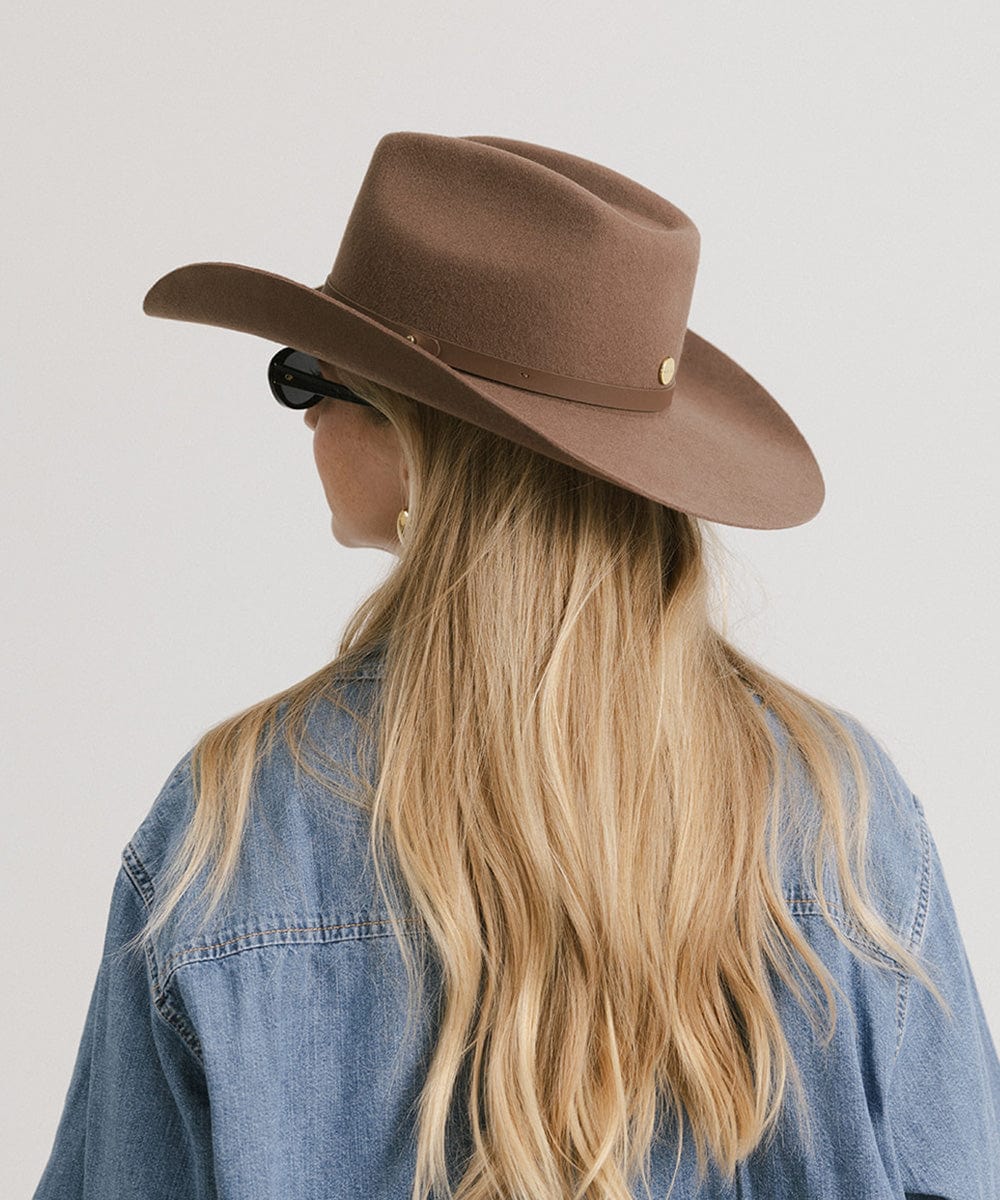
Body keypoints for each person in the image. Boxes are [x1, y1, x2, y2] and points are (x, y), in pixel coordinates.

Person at [33, 131, 999, 1200]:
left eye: (309, 377)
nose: (306, 417)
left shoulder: (231, 828)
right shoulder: (842, 814)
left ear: (420, 440)